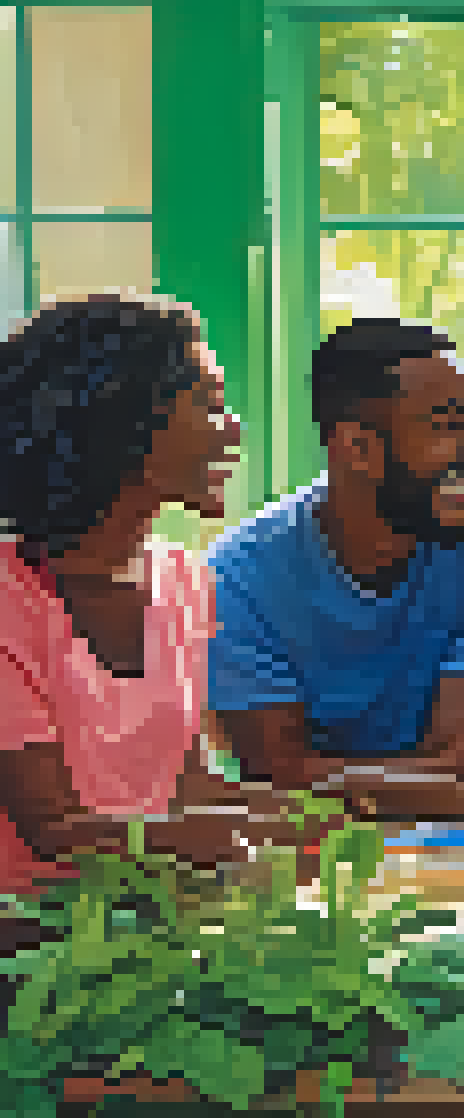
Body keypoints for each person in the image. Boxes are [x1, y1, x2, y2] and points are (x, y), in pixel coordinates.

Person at [1, 295, 332, 899]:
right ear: (124, 422)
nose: (232, 429)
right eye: (210, 404)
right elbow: (53, 829)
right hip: (30, 954)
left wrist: (331, 819)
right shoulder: (9, 600)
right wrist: (229, 833)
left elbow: (186, 785)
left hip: (154, 927)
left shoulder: (183, 581)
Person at [208, 319, 464, 830]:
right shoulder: (236, 578)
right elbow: (276, 777)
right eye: (445, 429)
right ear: (357, 449)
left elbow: (462, 767)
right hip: (318, 852)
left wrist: (329, 783)